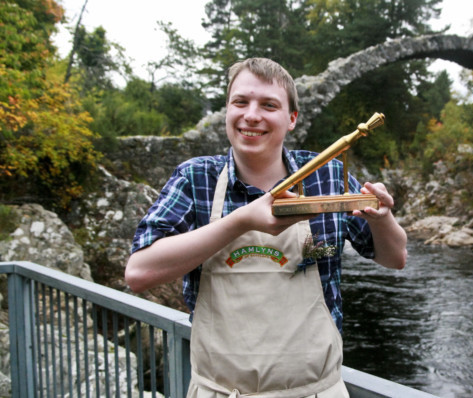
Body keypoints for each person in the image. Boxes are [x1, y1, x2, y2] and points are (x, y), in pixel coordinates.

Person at [125, 57, 407, 398]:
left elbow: (395, 258)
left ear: (291, 119)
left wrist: (383, 218)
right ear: (227, 111)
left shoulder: (329, 176)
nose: (252, 115)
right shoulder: (195, 178)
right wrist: (241, 220)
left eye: (269, 105)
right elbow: (138, 274)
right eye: (240, 102)